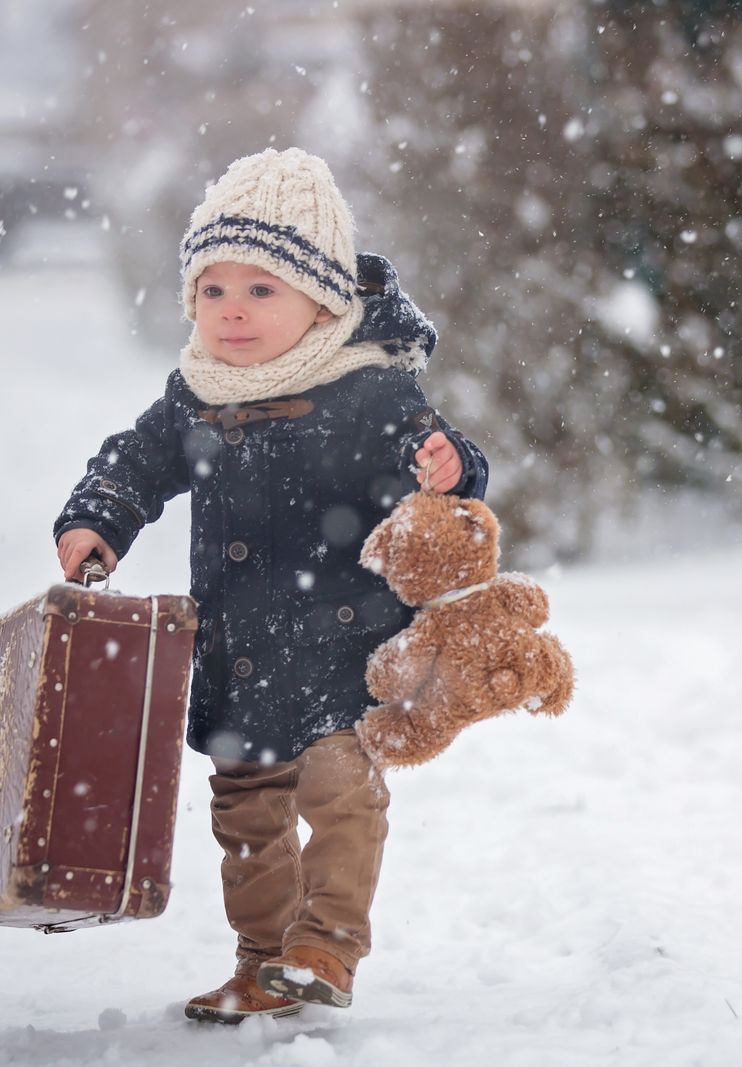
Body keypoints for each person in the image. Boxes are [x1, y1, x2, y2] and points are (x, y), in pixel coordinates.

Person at [53, 148, 488, 1024]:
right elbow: (134, 459)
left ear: (322, 300)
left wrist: (447, 465)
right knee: (246, 820)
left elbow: (440, 449)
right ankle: (261, 960)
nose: (234, 313)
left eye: (261, 290)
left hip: (342, 644)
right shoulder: (196, 395)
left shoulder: (369, 390)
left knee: (337, 791)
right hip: (236, 651)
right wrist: (97, 517)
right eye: (213, 291)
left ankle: (325, 945)